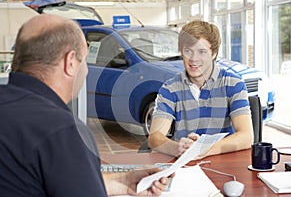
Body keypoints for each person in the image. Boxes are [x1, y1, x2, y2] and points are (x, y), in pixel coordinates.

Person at [0, 14, 173, 197]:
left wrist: (122, 181)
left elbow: (52, 181)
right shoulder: (62, 131)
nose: (87, 70)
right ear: (71, 62)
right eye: (85, 60)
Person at [148, 20, 253, 159]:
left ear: (214, 53)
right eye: (188, 51)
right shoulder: (170, 88)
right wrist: (178, 148)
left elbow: (246, 137)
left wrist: (203, 150)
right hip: (184, 163)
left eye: (201, 51)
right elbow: (154, 138)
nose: (193, 59)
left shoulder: (233, 83)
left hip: (223, 161)